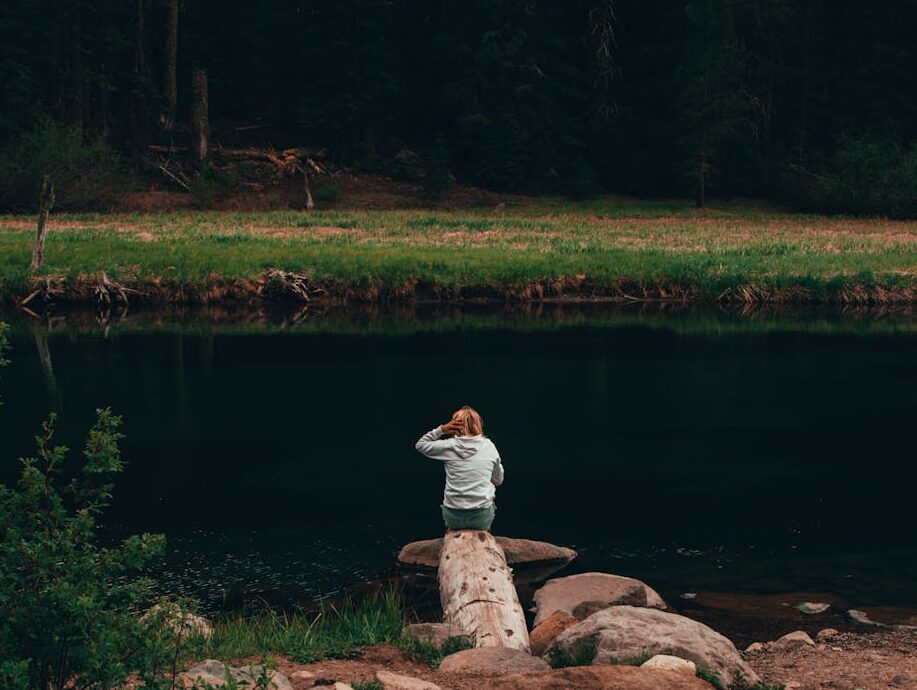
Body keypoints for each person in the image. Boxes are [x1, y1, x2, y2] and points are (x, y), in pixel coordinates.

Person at [414, 406, 504, 532]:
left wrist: (441, 430)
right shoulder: (489, 446)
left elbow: (420, 445)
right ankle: (483, 535)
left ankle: (452, 533)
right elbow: (498, 480)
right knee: (490, 491)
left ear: (453, 425)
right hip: (480, 517)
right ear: (478, 424)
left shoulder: (448, 446)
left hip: (453, 515)